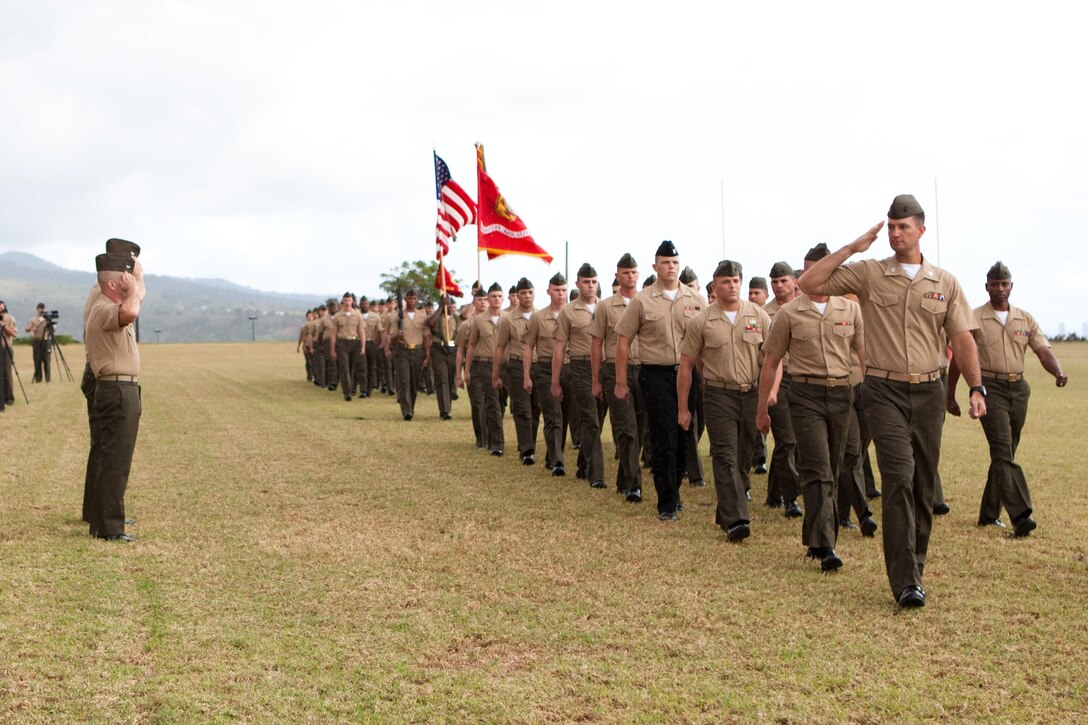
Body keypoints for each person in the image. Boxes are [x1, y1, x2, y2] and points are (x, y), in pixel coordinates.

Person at [799, 194, 985, 608]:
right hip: (882, 391)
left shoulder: (945, 283)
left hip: (930, 391)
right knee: (898, 476)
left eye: (904, 226)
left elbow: (961, 338)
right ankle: (905, 581)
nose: (896, 233)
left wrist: (975, 387)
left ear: (921, 229)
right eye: (891, 226)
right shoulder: (868, 273)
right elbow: (809, 284)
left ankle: (914, 565)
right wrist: (851, 248)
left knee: (922, 483)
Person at [757, 244, 866, 570]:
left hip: (841, 395)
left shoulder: (850, 310)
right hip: (804, 397)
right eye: (807, 270)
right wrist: (762, 408)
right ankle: (826, 545)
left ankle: (814, 534)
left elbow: (865, 356)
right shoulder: (789, 313)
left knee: (832, 469)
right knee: (818, 470)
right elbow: (771, 362)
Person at [947, 261, 1068, 536]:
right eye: (994, 284)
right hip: (989, 388)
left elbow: (1043, 351)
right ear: (986, 287)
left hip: (1019, 389)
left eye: (1004, 284)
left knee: (1005, 453)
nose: (999, 289)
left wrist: (1058, 372)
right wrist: (950, 393)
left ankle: (989, 515)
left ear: (1011, 286)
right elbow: (959, 359)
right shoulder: (973, 317)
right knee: (1002, 450)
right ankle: (1021, 515)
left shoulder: (1025, 319)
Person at [614, 240, 705, 521]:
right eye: (666, 263)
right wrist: (620, 382)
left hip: (688, 374)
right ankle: (666, 503)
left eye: (675, 263)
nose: (671, 267)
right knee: (664, 436)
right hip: (656, 374)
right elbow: (623, 341)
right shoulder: (642, 300)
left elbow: (707, 340)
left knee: (684, 435)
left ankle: (674, 491)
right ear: (655, 266)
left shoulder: (695, 300)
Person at [679, 261, 768, 539]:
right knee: (725, 455)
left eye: (736, 280)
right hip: (718, 394)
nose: (732, 285)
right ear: (715, 285)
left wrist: (769, 398)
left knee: (743, 457)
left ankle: (726, 510)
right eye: (726, 281)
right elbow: (687, 364)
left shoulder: (759, 317)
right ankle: (737, 520)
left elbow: (772, 361)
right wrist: (683, 407)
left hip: (751, 393)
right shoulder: (701, 321)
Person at [85, 252, 144, 542]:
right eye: (122, 282)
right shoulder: (105, 308)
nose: (127, 286)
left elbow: (134, 304)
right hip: (117, 390)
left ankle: (102, 521)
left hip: (119, 389)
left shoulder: (108, 303)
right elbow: (132, 311)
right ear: (111, 286)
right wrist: (133, 289)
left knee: (112, 457)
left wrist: (137, 276)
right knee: (115, 461)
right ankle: (110, 527)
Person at [591, 253, 645, 501]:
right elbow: (596, 343)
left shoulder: (646, 302)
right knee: (626, 428)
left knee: (641, 429)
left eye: (633, 272)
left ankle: (624, 479)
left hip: (644, 368)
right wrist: (596, 380)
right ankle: (634, 485)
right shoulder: (605, 306)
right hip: (614, 369)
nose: (630, 277)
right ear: (617, 275)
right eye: (625, 273)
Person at [553, 263, 606, 489]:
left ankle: (584, 464)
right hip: (580, 368)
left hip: (605, 368)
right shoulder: (568, 312)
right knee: (590, 420)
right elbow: (559, 349)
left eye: (593, 282)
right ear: (577, 284)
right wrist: (555, 382)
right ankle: (597, 475)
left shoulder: (606, 308)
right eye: (586, 282)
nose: (590, 286)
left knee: (597, 421)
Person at [764, 262, 803, 517]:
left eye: (783, 281)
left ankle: (773, 493)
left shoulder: (804, 309)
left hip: (803, 379)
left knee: (795, 442)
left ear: (794, 282)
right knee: (786, 440)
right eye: (775, 282)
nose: (779, 286)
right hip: (777, 380)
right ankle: (791, 498)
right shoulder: (763, 314)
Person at [523, 273, 568, 475]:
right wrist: (526, 376)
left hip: (569, 368)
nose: (560, 293)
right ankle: (558, 461)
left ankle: (552, 456)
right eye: (556, 290)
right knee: (553, 416)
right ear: (549, 291)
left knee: (566, 417)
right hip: (545, 369)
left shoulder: (573, 314)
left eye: (564, 290)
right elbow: (528, 347)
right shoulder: (538, 318)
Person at [494, 278, 539, 462]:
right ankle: (527, 451)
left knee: (536, 408)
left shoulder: (541, 315)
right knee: (522, 408)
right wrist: (495, 374)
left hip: (540, 365)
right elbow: (500, 347)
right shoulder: (508, 320)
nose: (527, 296)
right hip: (517, 366)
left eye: (530, 292)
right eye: (523, 293)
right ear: (517, 296)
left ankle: (529, 444)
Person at [466, 283, 506, 454]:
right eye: (493, 296)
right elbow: (471, 345)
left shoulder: (509, 318)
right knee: (491, 404)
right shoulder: (479, 321)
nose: (496, 299)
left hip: (505, 366)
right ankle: (495, 444)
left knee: (500, 405)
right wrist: (467, 370)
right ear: (488, 299)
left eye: (499, 296)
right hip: (484, 365)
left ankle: (494, 440)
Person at [383, 289, 431, 420]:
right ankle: (406, 410)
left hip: (418, 350)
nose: (412, 301)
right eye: (410, 298)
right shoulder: (396, 316)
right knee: (404, 380)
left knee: (414, 382)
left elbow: (426, 336)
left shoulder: (422, 316)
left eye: (415, 298)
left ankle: (411, 407)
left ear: (418, 299)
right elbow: (389, 336)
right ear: (405, 299)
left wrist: (427, 354)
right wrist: (396, 336)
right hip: (402, 350)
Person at [457, 289, 487, 447]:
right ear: (473, 302)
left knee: (492, 403)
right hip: (474, 365)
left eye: (485, 299)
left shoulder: (500, 321)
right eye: (479, 299)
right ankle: (480, 438)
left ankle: (493, 437)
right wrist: (459, 374)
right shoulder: (466, 325)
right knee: (477, 403)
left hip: (492, 364)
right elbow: (460, 350)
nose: (483, 302)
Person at [747, 278, 770, 475]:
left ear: (766, 295)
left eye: (757, 293)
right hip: (751, 377)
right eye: (750, 293)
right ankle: (759, 459)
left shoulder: (768, 316)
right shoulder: (744, 315)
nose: (753, 297)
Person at [427, 294, 460, 420]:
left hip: (453, 350)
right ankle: (445, 410)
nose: (447, 305)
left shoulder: (457, 319)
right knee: (442, 379)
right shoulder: (436, 317)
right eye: (444, 302)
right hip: (438, 350)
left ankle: (449, 402)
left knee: (451, 378)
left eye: (448, 302)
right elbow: (430, 323)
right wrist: (441, 307)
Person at [330, 292, 366, 401]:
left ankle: (352, 387)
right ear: (343, 301)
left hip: (355, 343)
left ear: (352, 301)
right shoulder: (337, 316)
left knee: (352, 368)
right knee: (344, 368)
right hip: (342, 343)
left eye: (349, 300)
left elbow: (361, 331)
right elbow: (333, 334)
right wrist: (333, 349)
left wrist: (363, 346)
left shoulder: (358, 315)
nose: (347, 302)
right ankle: (347, 393)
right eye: (345, 300)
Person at [26, 303, 52, 383]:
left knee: (47, 360)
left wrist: (52, 326)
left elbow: (53, 329)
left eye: (43, 309)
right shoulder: (33, 319)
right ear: (37, 309)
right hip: (37, 341)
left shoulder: (47, 319)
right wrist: (32, 328)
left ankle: (47, 379)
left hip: (46, 340)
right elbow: (27, 329)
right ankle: (38, 379)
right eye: (40, 309)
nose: (42, 310)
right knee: (37, 360)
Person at [0, 300, 17, 405]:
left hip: (6, 347)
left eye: (1, 308)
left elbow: (14, 334)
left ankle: (9, 398)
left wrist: (3, 326)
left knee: (7, 373)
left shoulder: (10, 318)